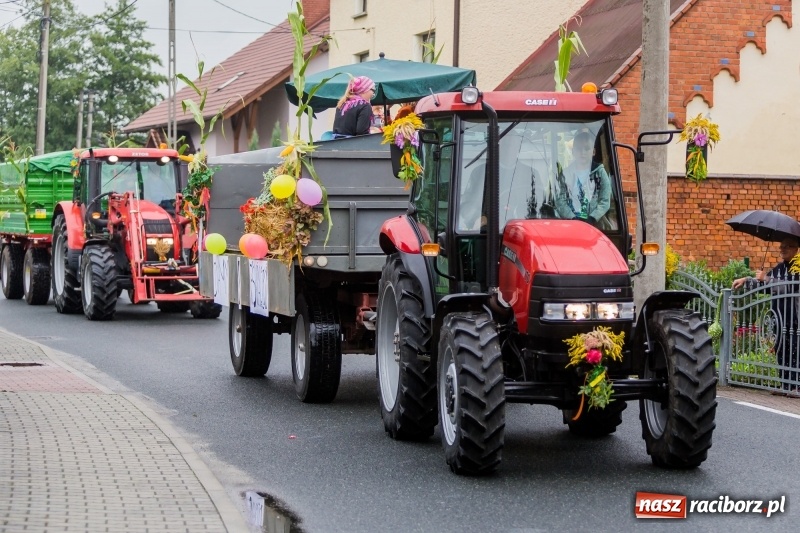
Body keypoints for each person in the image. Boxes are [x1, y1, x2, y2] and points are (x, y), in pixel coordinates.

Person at [733, 237, 800, 396]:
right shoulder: (779, 268)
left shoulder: (798, 268)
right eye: (781, 246)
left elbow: (791, 287)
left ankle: (797, 386)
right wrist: (746, 280)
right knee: (781, 350)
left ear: (797, 249)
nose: (782, 249)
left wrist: (767, 279)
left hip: (796, 319)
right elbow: (764, 285)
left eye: (787, 247)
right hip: (780, 318)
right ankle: (785, 385)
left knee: (797, 352)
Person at [554, 131, 611, 225]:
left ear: (593, 151)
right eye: (578, 149)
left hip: (595, 225)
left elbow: (605, 200)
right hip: (570, 225)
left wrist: (593, 218)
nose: (582, 152)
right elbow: (560, 200)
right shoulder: (565, 174)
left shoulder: (600, 172)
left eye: (587, 148)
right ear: (573, 151)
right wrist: (572, 218)